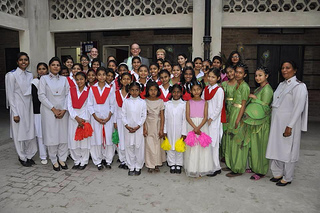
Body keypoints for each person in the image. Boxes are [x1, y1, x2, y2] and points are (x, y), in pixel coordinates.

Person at [266, 61, 308, 186]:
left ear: (294, 70)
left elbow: (298, 108)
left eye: (288, 68)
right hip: (277, 122)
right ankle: (277, 173)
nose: (284, 70)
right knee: (276, 146)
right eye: (283, 68)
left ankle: (288, 177)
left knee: (288, 150)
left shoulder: (299, 86)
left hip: (289, 123)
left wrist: (290, 126)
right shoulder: (281, 85)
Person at [6, 52, 37, 167]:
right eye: (21, 60)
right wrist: (15, 112)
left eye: (26, 60)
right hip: (18, 106)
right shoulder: (11, 75)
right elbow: (10, 95)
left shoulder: (29, 75)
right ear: (17, 61)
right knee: (19, 133)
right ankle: (22, 157)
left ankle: (29, 155)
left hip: (29, 106)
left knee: (29, 131)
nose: (24, 62)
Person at [38, 57, 69, 171]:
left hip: (63, 112)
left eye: (58, 65)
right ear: (49, 66)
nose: (56, 67)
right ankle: (54, 160)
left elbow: (68, 95)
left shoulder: (64, 79)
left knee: (63, 135)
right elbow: (41, 95)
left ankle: (62, 158)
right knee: (52, 136)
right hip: (49, 111)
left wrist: (64, 110)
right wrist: (53, 109)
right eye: (53, 65)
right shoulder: (44, 79)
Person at [242, 67, 273, 180]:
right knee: (253, 146)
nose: (257, 78)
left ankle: (261, 171)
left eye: (260, 75)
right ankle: (254, 167)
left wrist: (254, 98)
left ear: (266, 76)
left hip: (262, 123)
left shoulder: (267, 90)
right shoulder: (260, 88)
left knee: (261, 146)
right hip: (254, 121)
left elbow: (266, 107)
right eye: (256, 75)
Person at [224, 63, 250, 177]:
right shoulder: (237, 85)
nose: (237, 74)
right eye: (237, 72)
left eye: (240, 73)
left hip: (239, 114)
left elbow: (243, 105)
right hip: (233, 112)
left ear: (245, 75)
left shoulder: (245, 87)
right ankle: (231, 164)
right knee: (231, 140)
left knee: (237, 141)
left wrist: (238, 119)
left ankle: (238, 168)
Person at [88, 67, 115, 170]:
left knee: (108, 139)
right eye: (99, 74)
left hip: (108, 119)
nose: (102, 77)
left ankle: (108, 160)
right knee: (96, 139)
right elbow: (90, 105)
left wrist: (108, 116)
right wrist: (95, 117)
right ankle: (97, 160)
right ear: (96, 76)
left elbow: (113, 104)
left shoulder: (110, 89)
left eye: (104, 74)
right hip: (95, 119)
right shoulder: (92, 89)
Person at [184, 81, 213, 177]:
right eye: (194, 90)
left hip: (202, 125)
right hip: (192, 125)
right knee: (193, 147)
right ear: (191, 91)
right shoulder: (188, 102)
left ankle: (202, 168)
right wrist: (194, 127)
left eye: (198, 89)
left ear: (201, 90)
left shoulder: (205, 103)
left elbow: (205, 117)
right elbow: (187, 116)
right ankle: (192, 168)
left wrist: (199, 127)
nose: (196, 91)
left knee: (202, 147)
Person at [203, 68, 225, 177]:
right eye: (209, 76)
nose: (210, 79)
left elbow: (219, 107)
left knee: (214, 144)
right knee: (207, 144)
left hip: (214, 121)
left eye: (213, 77)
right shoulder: (206, 89)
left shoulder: (219, 90)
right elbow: (203, 103)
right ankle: (209, 165)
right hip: (206, 120)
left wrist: (211, 118)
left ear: (217, 78)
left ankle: (216, 167)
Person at [122, 82, 147, 176]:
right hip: (128, 129)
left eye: (136, 90)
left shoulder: (142, 102)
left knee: (138, 147)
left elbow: (143, 115)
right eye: (132, 90)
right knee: (129, 147)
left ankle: (138, 166)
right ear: (129, 90)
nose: (134, 92)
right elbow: (123, 114)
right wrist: (127, 125)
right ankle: (131, 166)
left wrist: (138, 126)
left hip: (138, 129)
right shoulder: (126, 101)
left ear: (140, 91)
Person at [67, 72, 91, 170]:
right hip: (74, 119)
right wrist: (76, 117)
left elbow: (89, 106)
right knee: (73, 140)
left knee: (84, 141)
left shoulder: (89, 91)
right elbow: (69, 104)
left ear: (85, 80)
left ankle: (84, 161)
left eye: (81, 79)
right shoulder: (71, 90)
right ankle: (76, 160)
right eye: (77, 79)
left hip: (84, 118)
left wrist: (83, 119)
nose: (79, 81)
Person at [164, 84, 187, 174]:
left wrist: (184, 132)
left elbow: (185, 120)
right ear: (171, 93)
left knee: (179, 146)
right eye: (174, 92)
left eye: (178, 92)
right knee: (170, 146)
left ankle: (179, 164)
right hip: (169, 128)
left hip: (180, 128)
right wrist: (164, 131)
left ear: (181, 93)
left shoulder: (184, 104)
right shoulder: (168, 104)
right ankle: (172, 164)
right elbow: (165, 118)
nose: (176, 94)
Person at [143, 81, 165, 173]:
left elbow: (162, 116)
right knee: (149, 144)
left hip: (158, 124)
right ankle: (150, 164)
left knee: (157, 144)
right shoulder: (144, 102)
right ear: (147, 90)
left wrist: (161, 129)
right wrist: (144, 128)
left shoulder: (160, 101)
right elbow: (143, 116)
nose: (153, 92)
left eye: (155, 90)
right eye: (151, 90)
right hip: (148, 124)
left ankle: (156, 164)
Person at [114, 73, 132, 170]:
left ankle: (129, 160)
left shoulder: (132, 93)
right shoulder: (117, 93)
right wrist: (115, 121)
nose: (126, 81)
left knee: (128, 140)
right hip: (119, 119)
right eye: (124, 79)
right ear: (120, 81)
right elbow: (114, 108)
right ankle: (122, 160)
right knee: (121, 140)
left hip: (130, 120)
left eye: (128, 79)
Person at [32, 62, 49, 165]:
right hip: (38, 112)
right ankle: (43, 155)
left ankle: (52, 153)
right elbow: (35, 99)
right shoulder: (34, 82)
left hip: (50, 111)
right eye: (40, 69)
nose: (42, 71)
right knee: (40, 134)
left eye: (44, 68)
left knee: (50, 133)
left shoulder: (50, 81)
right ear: (37, 71)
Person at [220, 66, 237, 161]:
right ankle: (224, 154)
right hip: (225, 108)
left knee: (232, 131)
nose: (230, 74)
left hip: (235, 109)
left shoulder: (240, 84)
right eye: (227, 72)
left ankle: (231, 154)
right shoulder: (224, 84)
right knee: (225, 131)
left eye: (231, 71)